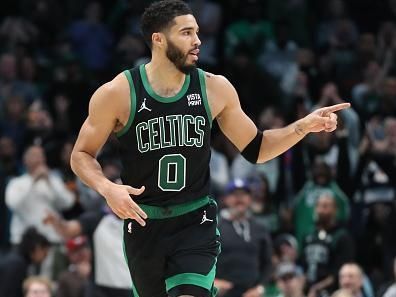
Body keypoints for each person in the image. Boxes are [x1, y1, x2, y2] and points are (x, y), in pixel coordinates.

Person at [70, 1, 349, 296]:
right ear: (159, 39)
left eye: (197, 32)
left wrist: (302, 126)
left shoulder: (214, 88)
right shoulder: (118, 93)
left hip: (195, 220)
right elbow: (81, 154)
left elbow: (256, 148)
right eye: (187, 33)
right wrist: (105, 187)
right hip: (144, 223)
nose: (197, 41)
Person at [215, 178, 271, 297]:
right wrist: (212, 283)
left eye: (243, 195)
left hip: (251, 293)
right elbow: (203, 259)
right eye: (234, 195)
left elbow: (268, 263)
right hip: (222, 294)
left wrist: (260, 288)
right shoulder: (215, 227)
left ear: (250, 199)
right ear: (226, 199)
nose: (239, 199)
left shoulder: (259, 228)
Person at [0, 227, 50, 297]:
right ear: (37, 248)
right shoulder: (16, 264)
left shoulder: (18, 262)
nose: (45, 258)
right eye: (45, 253)